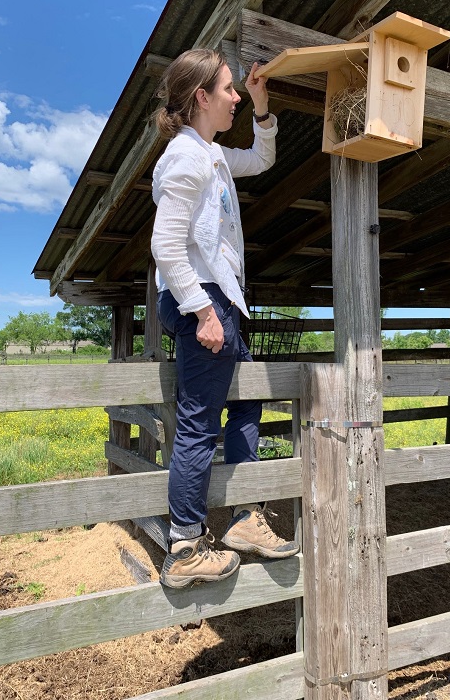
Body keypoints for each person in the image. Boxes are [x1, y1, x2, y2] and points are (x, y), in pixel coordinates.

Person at [150, 49, 299, 589]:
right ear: (201, 98)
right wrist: (202, 308)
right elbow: (165, 245)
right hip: (204, 299)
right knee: (197, 422)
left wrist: (263, 108)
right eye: (230, 89)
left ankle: (243, 520)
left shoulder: (210, 155)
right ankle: (185, 546)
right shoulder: (187, 160)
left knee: (246, 399)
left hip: (220, 299)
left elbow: (261, 159)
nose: (235, 96)